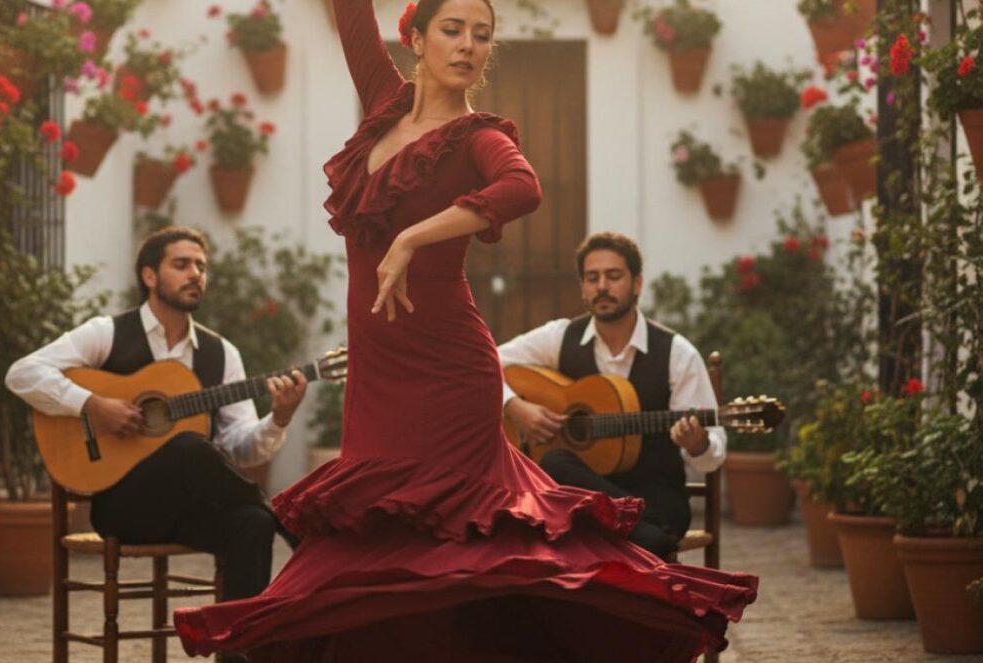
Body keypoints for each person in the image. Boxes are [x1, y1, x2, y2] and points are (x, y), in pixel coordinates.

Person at [174, 1, 757, 661]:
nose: (468, 46)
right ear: (416, 38)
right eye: (452, 30)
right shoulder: (382, 104)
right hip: (379, 373)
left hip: (451, 370)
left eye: (482, 35)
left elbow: (522, 187)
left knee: (456, 535)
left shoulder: (478, 136)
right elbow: (350, 13)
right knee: (380, 527)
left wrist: (417, 234)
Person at [5, 226, 308, 609]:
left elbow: (240, 450)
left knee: (253, 522)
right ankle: (290, 521)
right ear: (149, 276)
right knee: (186, 445)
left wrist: (278, 418)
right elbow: (23, 373)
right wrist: (92, 404)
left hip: (189, 510)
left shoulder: (221, 354)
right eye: (181, 264)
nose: (195, 273)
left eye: (201, 266)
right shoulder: (108, 333)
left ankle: (240, 654)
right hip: (122, 508)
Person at [499, 231, 726, 559]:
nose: (602, 286)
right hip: (581, 492)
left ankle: (629, 532)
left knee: (572, 523)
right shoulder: (560, 336)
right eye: (592, 278)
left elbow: (711, 454)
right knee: (553, 463)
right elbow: (483, 360)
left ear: (637, 284)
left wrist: (698, 444)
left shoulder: (676, 353)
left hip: (653, 494)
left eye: (613, 276)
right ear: (583, 287)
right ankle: (645, 540)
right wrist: (516, 406)